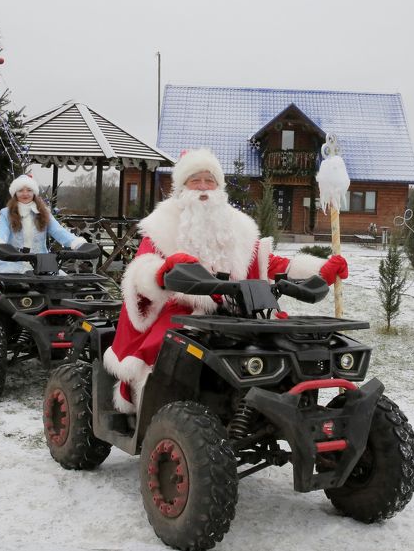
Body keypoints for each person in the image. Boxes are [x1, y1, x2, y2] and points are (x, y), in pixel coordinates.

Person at [104, 148, 349, 413]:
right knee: (164, 346)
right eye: (195, 180)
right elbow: (143, 270)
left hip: (240, 310)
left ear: (219, 186)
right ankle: (162, 410)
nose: (203, 188)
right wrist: (164, 272)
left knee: (285, 343)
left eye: (209, 180)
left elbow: (268, 264)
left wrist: (320, 270)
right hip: (183, 309)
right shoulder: (161, 225)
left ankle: (279, 403)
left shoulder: (237, 225)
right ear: (181, 187)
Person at [0, 174, 87, 273]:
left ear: (34, 193)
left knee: (59, 285)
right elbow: (2, 232)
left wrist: (77, 243)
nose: (25, 194)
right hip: (12, 264)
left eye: (29, 190)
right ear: (15, 193)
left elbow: (58, 231)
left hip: (40, 265)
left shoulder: (43, 212)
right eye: (21, 190)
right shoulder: (6, 213)